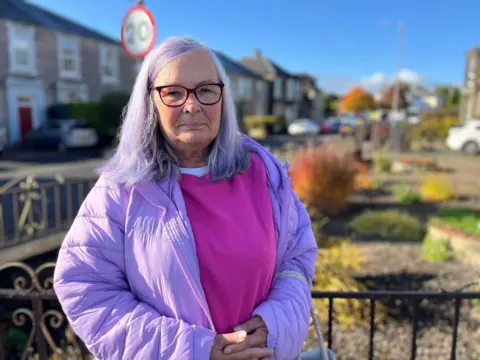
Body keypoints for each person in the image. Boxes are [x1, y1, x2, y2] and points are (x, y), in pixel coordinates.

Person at [53, 36, 317, 360]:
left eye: (206, 90)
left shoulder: (265, 173)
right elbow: (85, 288)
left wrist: (274, 324)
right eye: (174, 93)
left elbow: (296, 262)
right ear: (151, 101)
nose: (192, 105)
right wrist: (194, 350)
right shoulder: (120, 190)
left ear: (222, 97)